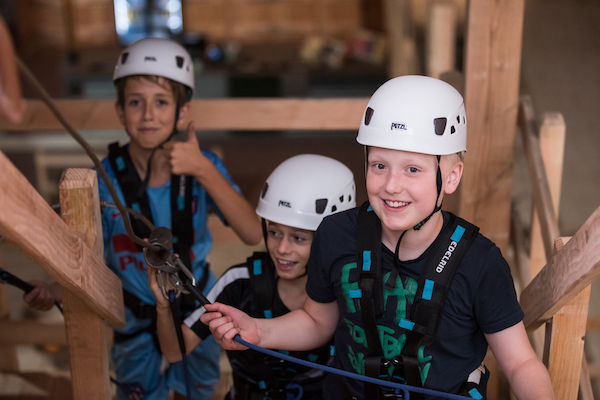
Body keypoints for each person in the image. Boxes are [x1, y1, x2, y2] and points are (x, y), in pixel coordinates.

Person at [199, 76, 554, 399]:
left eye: (412, 169)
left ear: (450, 177)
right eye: (379, 165)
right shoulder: (336, 235)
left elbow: (520, 363)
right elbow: (317, 321)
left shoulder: (481, 263)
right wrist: (259, 331)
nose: (391, 185)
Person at [26, 38, 262, 400]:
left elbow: (250, 232)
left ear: (183, 113)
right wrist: (54, 289)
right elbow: (83, 256)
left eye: (162, 102)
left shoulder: (203, 170)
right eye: (136, 102)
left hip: (197, 314)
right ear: (120, 111)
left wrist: (203, 169)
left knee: (198, 393)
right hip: (134, 318)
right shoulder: (102, 182)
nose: (148, 114)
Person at [149, 154, 356, 399]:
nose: (281, 248)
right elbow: (175, 352)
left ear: (328, 240)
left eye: (298, 238)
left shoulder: (350, 293)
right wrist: (163, 306)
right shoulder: (239, 283)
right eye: (274, 232)